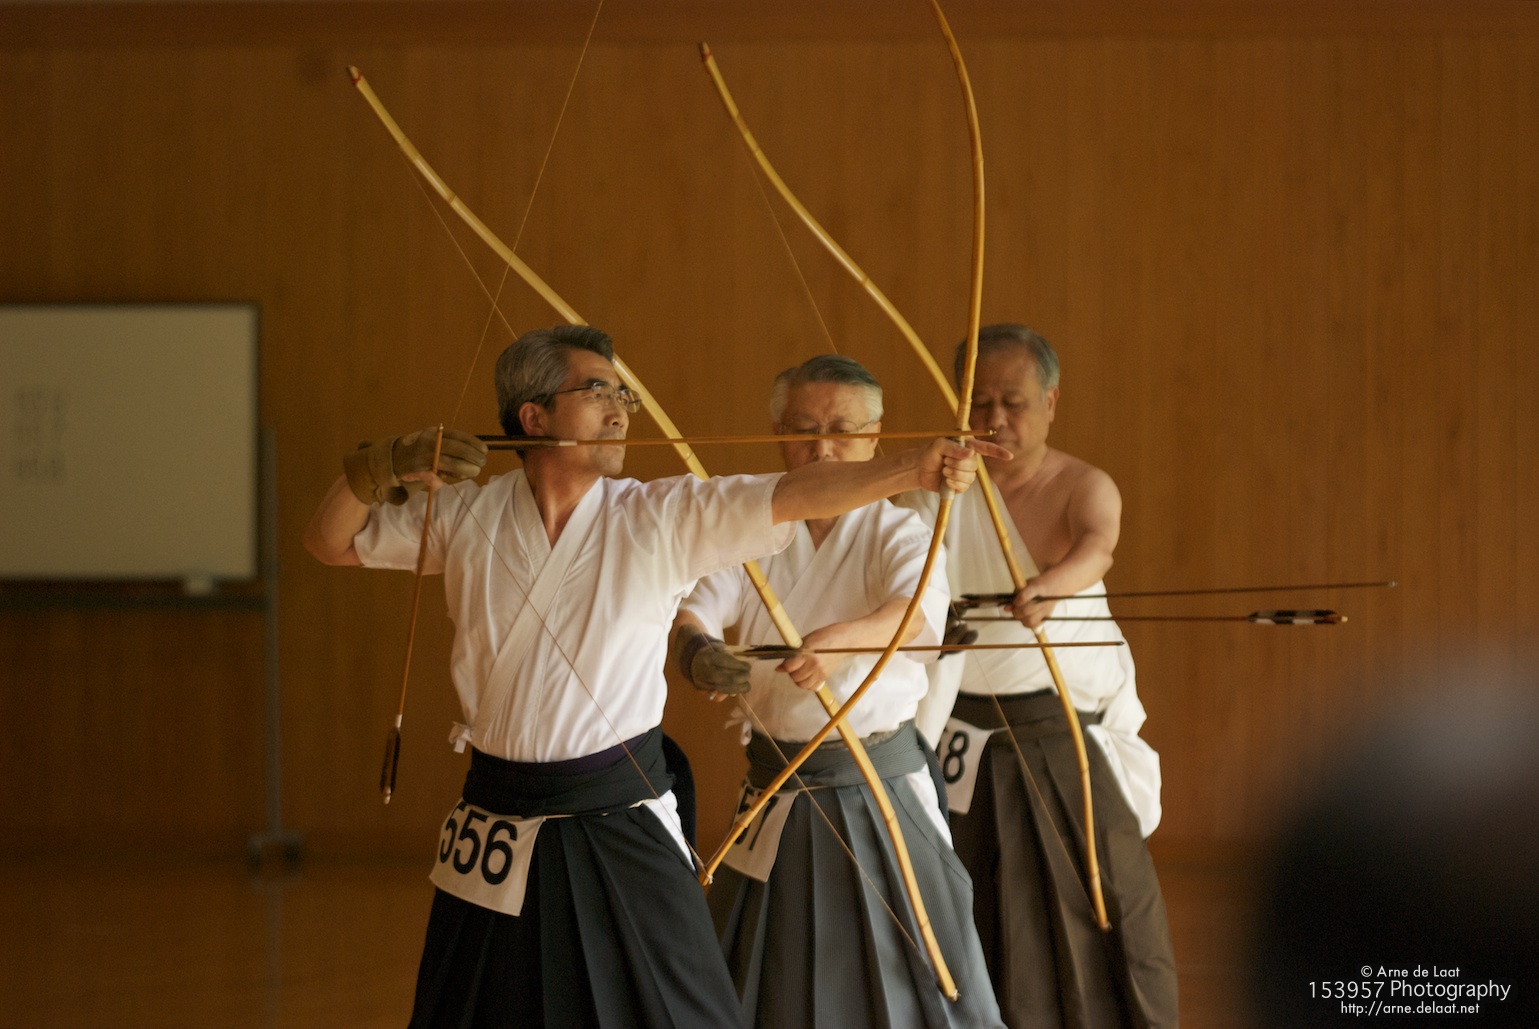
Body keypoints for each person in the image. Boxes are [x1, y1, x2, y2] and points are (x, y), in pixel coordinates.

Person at [302, 325, 1002, 1029]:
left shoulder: (660, 515)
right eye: (596, 391)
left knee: (678, 1011)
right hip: (497, 810)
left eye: (623, 395)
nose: (619, 410)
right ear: (534, 417)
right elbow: (330, 541)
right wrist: (376, 468)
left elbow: (795, 492)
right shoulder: (464, 514)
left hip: (617, 807)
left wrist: (911, 469)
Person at [671, 355, 1004, 1029]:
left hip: (877, 785)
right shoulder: (752, 530)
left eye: (843, 431)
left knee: (919, 976)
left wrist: (841, 641)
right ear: (776, 433)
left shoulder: (899, 530)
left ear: (875, 437)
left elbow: (916, 614)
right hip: (774, 786)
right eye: (803, 429)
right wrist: (698, 653)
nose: (822, 448)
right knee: (764, 976)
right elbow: (694, 608)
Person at [899, 324, 1178, 1028]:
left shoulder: (1082, 484)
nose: (994, 418)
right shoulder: (937, 493)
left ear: (1051, 402)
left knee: (1103, 909)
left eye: (1013, 402)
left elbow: (1097, 543)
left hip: (1057, 732)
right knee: (967, 916)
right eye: (979, 401)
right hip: (962, 734)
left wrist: (1051, 587)